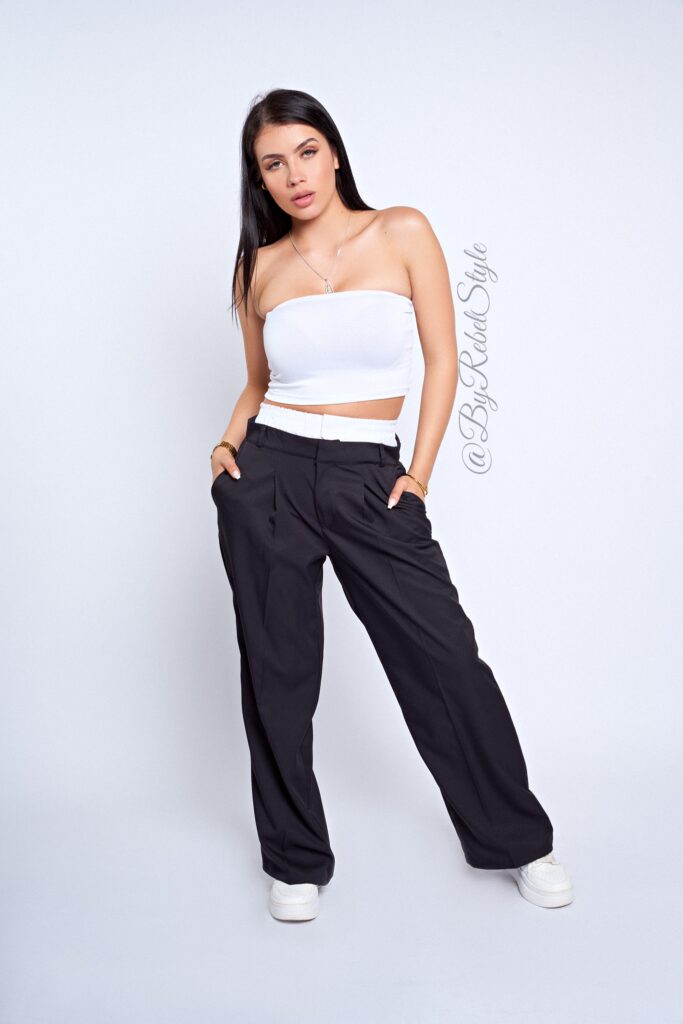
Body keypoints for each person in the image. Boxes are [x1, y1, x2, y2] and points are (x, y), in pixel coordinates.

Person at [210, 88, 574, 921]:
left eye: (306, 152)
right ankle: (294, 859)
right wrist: (226, 448)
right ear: (260, 180)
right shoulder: (257, 267)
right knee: (276, 671)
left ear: (333, 151)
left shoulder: (400, 230)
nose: (295, 175)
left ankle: (517, 840)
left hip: (369, 474)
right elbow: (258, 383)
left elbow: (444, 359)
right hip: (268, 474)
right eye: (273, 164)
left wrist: (419, 472)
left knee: (444, 657)